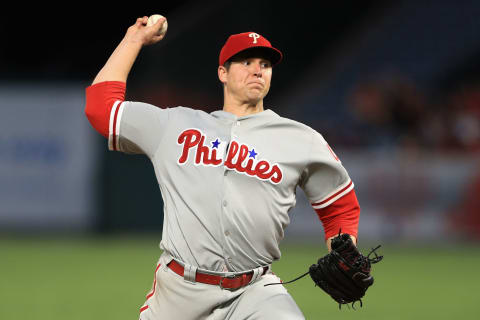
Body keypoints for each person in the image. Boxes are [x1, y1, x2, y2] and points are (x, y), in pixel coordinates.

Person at [85, 15, 360, 320]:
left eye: (265, 64)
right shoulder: (175, 125)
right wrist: (134, 39)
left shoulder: (300, 138)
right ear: (223, 73)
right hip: (179, 290)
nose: (257, 69)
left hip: (255, 290)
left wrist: (343, 243)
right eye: (246, 61)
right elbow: (100, 109)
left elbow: (339, 204)